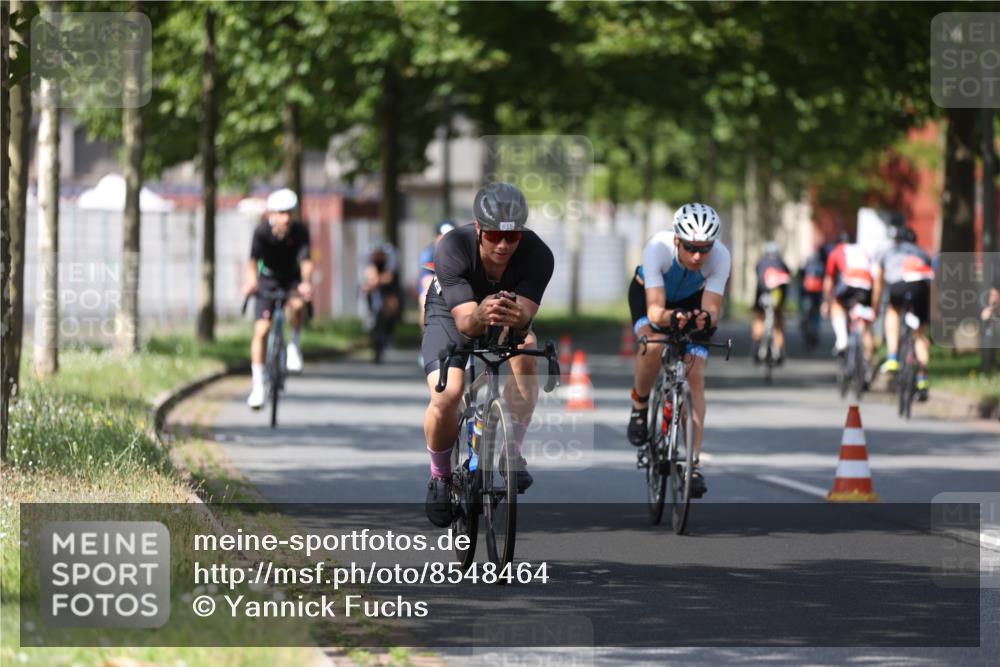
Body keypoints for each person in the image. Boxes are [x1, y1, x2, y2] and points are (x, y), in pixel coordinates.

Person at [421, 183, 554, 527]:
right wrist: (481, 314)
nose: (504, 245)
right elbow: (467, 321)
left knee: (526, 354)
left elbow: (524, 317)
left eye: (513, 237)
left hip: (504, 312)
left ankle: (512, 453)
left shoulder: (539, 254)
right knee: (448, 393)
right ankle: (440, 475)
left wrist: (518, 321)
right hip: (452, 313)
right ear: (479, 228)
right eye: (495, 235)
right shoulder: (453, 246)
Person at [626, 203, 731, 499]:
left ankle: (693, 465)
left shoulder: (720, 257)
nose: (698, 256)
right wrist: (672, 319)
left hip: (692, 301)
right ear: (677, 240)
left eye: (705, 248)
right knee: (655, 345)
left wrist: (704, 319)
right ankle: (640, 405)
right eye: (690, 247)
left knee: (695, 373)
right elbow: (656, 310)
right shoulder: (658, 247)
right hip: (651, 297)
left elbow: (712, 310)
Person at [243, 188, 313, 409]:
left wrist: (306, 282)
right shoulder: (261, 232)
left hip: (291, 279)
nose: (286, 218)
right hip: (268, 279)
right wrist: (252, 281)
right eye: (281, 213)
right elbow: (253, 262)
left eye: (289, 213)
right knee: (262, 330)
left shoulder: (300, 231)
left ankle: (294, 345)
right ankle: (258, 386)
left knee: (298, 304)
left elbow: (306, 261)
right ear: (272, 214)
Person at [872, 226, 934, 399]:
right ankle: (922, 378)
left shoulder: (888, 252)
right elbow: (931, 282)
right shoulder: (922, 253)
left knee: (892, 311)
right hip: (921, 287)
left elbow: (879, 284)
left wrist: (876, 307)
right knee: (920, 334)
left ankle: (892, 356)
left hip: (899, 284)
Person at [822, 231, 875, 368]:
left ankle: (842, 339)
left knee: (837, 303)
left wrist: (826, 301)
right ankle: (868, 364)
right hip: (867, 284)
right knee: (865, 326)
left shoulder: (836, 251)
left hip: (850, 281)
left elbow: (829, 279)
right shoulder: (863, 251)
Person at [750, 242, 791, 364]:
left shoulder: (761, 263)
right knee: (778, 319)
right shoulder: (782, 264)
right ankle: (779, 348)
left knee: (759, 317)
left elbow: (758, 278)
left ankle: (756, 345)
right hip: (778, 296)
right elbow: (787, 281)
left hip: (762, 294)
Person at [362, 242, 402, 363]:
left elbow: (388, 277)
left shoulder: (391, 259)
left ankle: (389, 332)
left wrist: (376, 281)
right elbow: (369, 277)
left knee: (390, 308)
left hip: (388, 290)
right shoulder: (369, 262)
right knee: (376, 319)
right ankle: (370, 315)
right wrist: (371, 283)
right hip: (374, 291)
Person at [417, 220, 456, 326]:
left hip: (453, 285)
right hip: (434, 285)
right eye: (442, 236)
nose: (446, 239)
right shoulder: (428, 253)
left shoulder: (459, 253)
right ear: (436, 237)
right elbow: (426, 280)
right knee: (425, 300)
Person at [798, 246, 827, 350]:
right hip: (817, 296)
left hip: (806, 295)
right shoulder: (821, 267)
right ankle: (816, 332)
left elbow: (800, 280)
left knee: (804, 312)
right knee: (816, 316)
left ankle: (803, 321)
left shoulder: (806, 267)